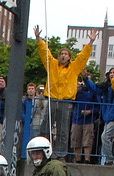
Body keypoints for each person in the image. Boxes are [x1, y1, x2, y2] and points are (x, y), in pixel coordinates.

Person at [33, 25, 98, 156]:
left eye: (66, 54)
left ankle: (61, 153)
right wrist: (38, 38)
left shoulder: (74, 67)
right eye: (61, 54)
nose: (63, 56)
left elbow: (83, 57)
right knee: (45, 128)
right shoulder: (51, 64)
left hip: (65, 102)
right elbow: (44, 52)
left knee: (63, 129)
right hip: (52, 99)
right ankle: (42, 151)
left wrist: (90, 43)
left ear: (69, 57)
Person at [69, 76, 99, 163]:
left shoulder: (93, 92)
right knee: (75, 140)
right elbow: (70, 100)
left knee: (87, 140)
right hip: (77, 119)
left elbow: (98, 106)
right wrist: (76, 90)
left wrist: (90, 111)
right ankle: (77, 160)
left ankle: (87, 159)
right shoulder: (78, 91)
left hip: (89, 120)